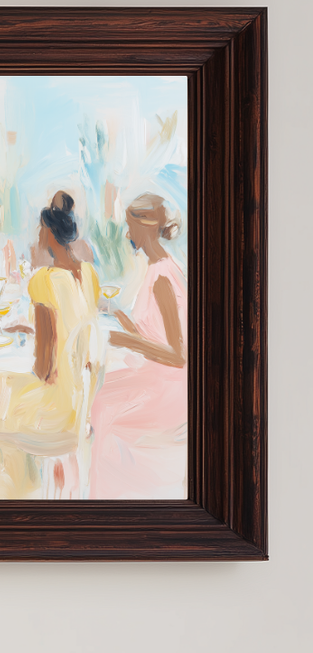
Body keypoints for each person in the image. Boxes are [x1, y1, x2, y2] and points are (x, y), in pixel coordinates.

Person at [0, 198, 101, 498]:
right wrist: (37, 328)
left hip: (53, 408)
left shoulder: (44, 280)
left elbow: (43, 370)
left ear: (49, 235)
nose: (36, 239)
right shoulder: (89, 276)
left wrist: (40, 336)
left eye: (40, 232)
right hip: (78, 406)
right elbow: (73, 332)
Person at [88, 194, 187, 497]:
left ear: (148, 227)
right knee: (101, 391)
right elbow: (152, 332)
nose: (128, 235)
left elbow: (178, 355)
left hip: (170, 388)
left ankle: (108, 495)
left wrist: (128, 339)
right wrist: (118, 315)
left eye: (131, 227)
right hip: (156, 375)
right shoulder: (156, 268)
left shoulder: (163, 277)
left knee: (104, 405)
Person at [29, 190, 94, 268]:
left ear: (50, 231)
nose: (40, 233)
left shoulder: (44, 275)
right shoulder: (87, 268)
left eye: (42, 227)